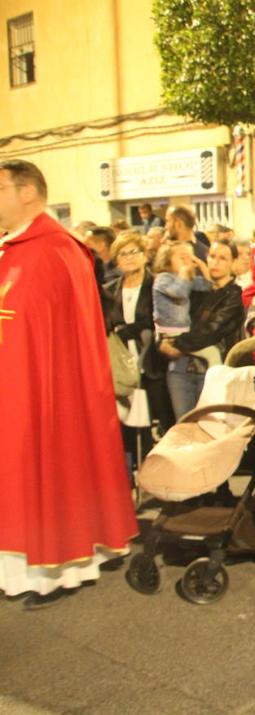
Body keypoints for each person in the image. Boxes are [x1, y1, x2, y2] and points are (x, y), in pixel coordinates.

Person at [0, 159, 138, 608]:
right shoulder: (14, 249)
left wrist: (47, 392)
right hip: (13, 389)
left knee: (51, 472)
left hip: (50, 394)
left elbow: (65, 339)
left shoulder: (57, 250)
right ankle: (15, 569)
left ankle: (57, 572)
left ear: (27, 192)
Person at [158, 240, 245, 419]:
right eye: (212, 256)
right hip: (181, 369)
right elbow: (168, 316)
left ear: (233, 263)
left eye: (223, 258)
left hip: (211, 370)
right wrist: (161, 341)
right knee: (182, 429)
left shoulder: (233, 295)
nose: (215, 262)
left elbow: (210, 332)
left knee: (209, 430)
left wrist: (175, 342)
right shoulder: (192, 288)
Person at [103, 231, 164, 472]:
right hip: (120, 362)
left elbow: (155, 319)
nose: (128, 258)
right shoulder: (109, 289)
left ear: (144, 255)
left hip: (150, 359)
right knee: (127, 422)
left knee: (155, 417)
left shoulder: (156, 284)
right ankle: (131, 473)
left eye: (133, 252)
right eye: (122, 254)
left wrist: (128, 329)